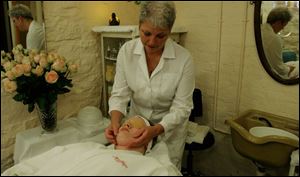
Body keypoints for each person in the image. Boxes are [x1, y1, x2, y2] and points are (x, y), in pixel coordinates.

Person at [105, 1, 195, 169]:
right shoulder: (127, 52)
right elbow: (119, 94)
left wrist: (157, 130)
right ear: (139, 26)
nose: (152, 42)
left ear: (169, 31)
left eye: (160, 36)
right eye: (146, 33)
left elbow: (182, 107)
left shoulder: (184, 59)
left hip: (169, 132)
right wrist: (115, 122)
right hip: (136, 126)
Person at [1, 116, 181, 176]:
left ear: (147, 141)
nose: (126, 124)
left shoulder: (151, 167)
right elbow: (44, 160)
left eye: (135, 126)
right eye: (126, 122)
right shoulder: (89, 147)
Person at [261, 6, 297, 79]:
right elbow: (279, 69)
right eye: (283, 25)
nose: (282, 28)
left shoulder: (260, 28)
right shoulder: (274, 38)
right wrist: (290, 69)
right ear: (278, 22)